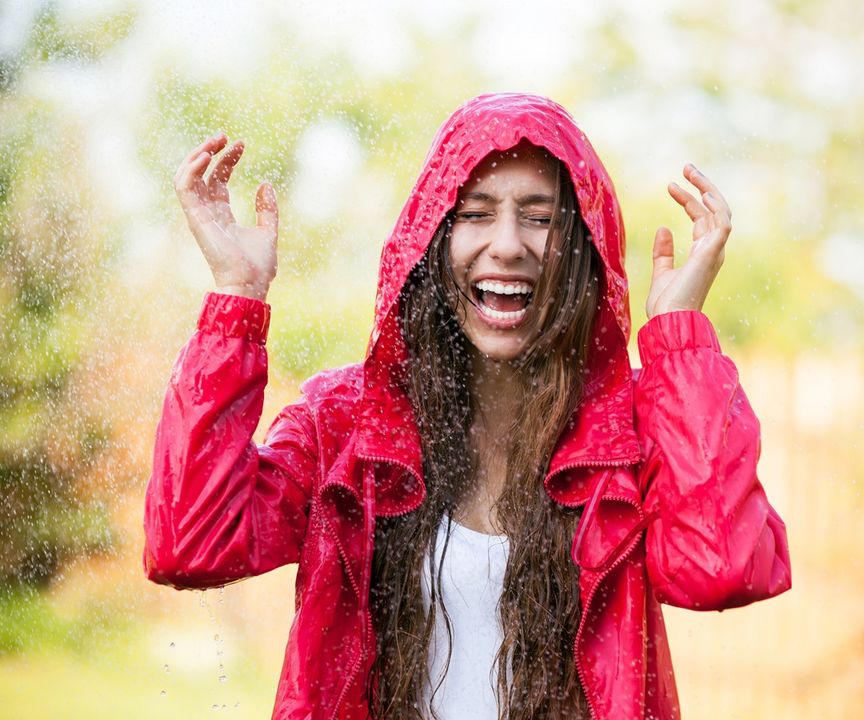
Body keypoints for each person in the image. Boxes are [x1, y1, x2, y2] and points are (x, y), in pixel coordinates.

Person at [144, 93, 792, 720]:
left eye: (539, 216)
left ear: (582, 246)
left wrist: (677, 331)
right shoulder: (344, 422)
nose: (508, 243)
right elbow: (191, 546)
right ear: (429, 242)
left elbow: (722, 570)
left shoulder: (629, 430)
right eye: (476, 213)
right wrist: (236, 297)